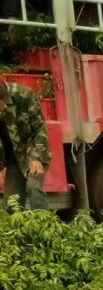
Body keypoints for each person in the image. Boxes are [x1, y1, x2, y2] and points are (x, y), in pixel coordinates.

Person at [0, 79, 50, 211]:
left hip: (33, 150)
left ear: (3, 99)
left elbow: (40, 129)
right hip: (14, 158)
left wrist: (36, 158)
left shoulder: (24, 95)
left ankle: (44, 228)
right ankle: (19, 231)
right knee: (11, 204)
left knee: (34, 189)